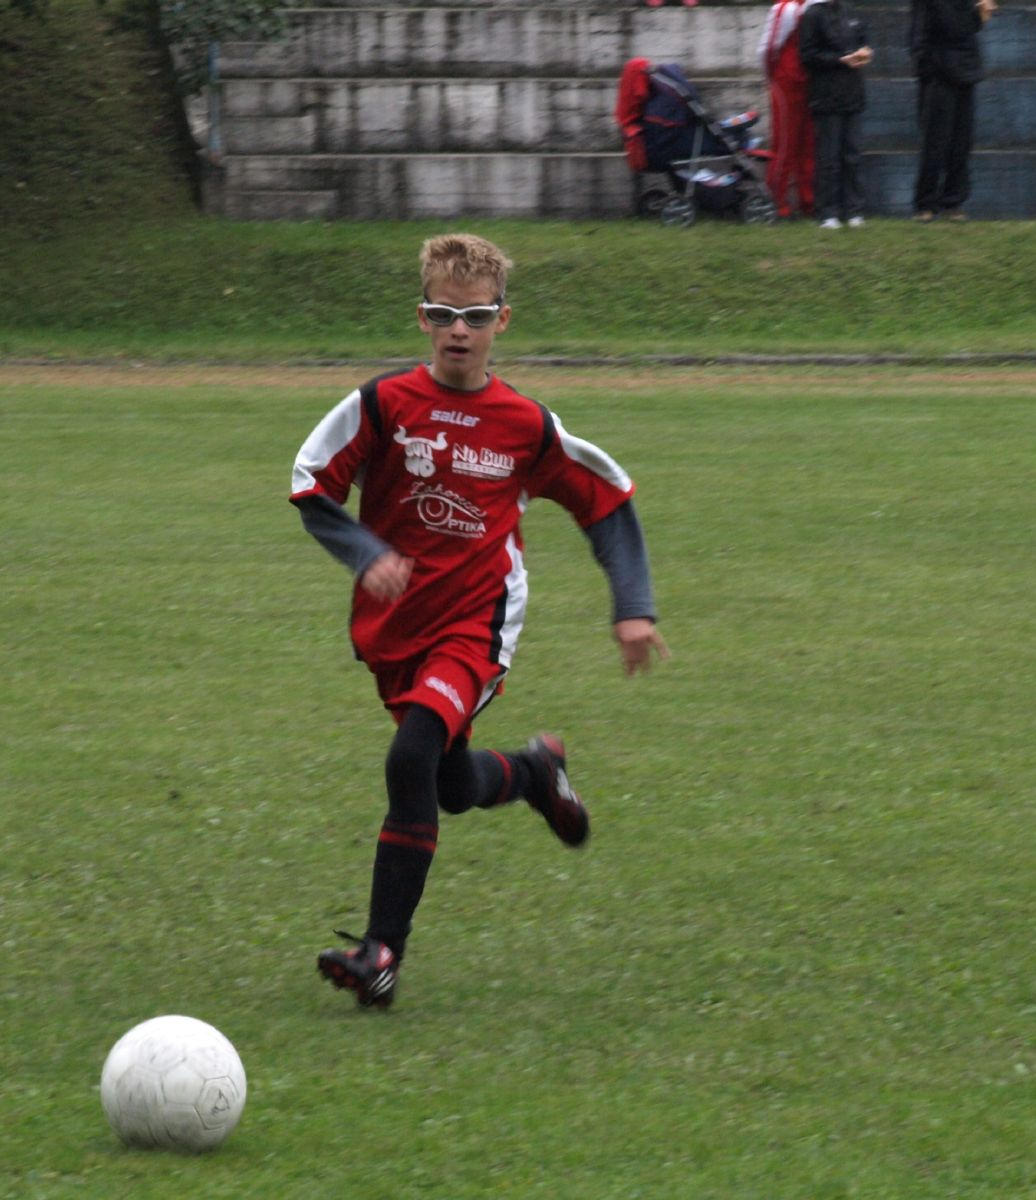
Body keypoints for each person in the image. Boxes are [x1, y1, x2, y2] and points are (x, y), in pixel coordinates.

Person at [290, 233, 669, 1009]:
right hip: (396, 626)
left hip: (479, 618)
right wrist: (365, 552)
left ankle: (380, 953)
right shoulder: (383, 404)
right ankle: (533, 773)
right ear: (422, 318)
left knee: (410, 757)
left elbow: (608, 498)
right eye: (442, 313)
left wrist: (632, 607)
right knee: (449, 783)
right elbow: (309, 483)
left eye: (475, 315)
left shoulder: (526, 424)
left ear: (503, 320)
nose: (458, 329)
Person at [909, 0, 995, 223]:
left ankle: (953, 202)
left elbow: (967, 29)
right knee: (935, 142)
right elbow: (933, 31)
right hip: (939, 73)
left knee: (961, 141)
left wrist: (981, 14)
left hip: (965, 70)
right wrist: (927, 71)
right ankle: (925, 203)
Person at [799, 0, 872, 229]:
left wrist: (865, 52)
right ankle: (827, 211)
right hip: (826, 95)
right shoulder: (812, 14)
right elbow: (807, 55)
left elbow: (863, 41)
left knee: (853, 155)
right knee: (828, 157)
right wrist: (839, 60)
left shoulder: (850, 11)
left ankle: (854, 210)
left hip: (853, 94)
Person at [759, 0, 816, 220]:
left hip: (793, 79)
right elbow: (769, 47)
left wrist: (769, 76)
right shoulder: (793, 8)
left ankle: (793, 201)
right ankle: (786, 200)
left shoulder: (790, 8)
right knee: (794, 144)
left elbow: (768, 48)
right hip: (795, 81)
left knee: (796, 144)